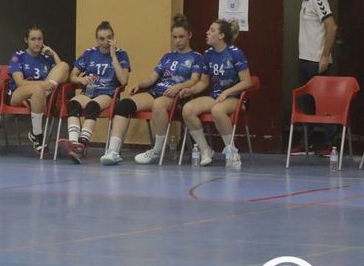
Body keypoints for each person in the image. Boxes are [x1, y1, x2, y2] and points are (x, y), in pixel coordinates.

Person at [100, 14, 203, 165]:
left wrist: (179, 87)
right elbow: (153, 78)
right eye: (175, 37)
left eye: (181, 37)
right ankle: (113, 151)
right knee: (124, 105)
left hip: (176, 95)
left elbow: (194, 80)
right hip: (156, 91)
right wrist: (140, 84)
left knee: (158, 105)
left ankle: (157, 150)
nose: (178, 41)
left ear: (190, 36)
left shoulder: (197, 57)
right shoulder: (167, 56)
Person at [179, 19, 252, 170]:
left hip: (234, 98)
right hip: (216, 96)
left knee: (217, 110)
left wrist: (227, 92)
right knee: (187, 109)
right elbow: (204, 82)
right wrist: (190, 90)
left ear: (221, 35)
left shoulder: (235, 53)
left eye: (212, 30)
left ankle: (231, 151)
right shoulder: (208, 54)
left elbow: (247, 82)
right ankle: (205, 149)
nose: (207, 32)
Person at [58, 21, 131, 163]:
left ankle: (82, 144)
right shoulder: (89, 53)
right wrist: (81, 79)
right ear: (97, 40)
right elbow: (72, 76)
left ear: (113, 38)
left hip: (107, 93)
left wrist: (113, 56)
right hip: (89, 91)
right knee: (72, 104)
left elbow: (123, 81)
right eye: (101, 39)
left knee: (92, 106)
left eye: (108, 38)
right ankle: (73, 143)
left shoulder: (121, 54)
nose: (105, 42)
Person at [294, 0, 338, 156]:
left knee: (323, 104)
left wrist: (324, 56)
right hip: (304, 59)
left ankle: (330, 143)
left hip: (317, 61)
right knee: (306, 103)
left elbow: (332, 27)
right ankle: (306, 142)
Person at [6, 25, 69, 154]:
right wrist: (44, 84)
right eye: (33, 39)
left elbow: (64, 73)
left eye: (39, 39)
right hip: (18, 94)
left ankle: (35, 134)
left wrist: (53, 54)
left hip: (41, 93)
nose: (36, 42)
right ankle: (38, 135)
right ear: (26, 40)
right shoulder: (18, 56)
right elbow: (19, 82)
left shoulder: (46, 58)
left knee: (64, 65)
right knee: (38, 89)